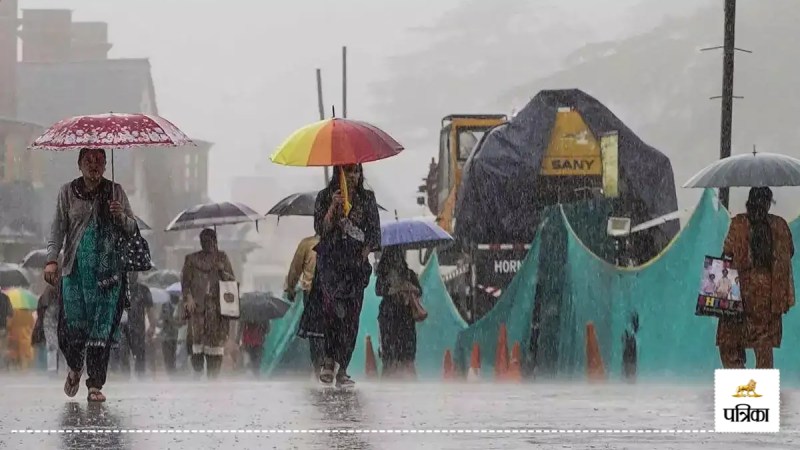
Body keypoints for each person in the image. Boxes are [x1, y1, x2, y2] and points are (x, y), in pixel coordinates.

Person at [44, 147, 137, 402]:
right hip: (74, 272)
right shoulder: (67, 192)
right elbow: (57, 229)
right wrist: (51, 260)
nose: (94, 164)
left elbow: (133, 228)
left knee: (102, 329)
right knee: (70, 330)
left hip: (108, 276)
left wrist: (120, 216)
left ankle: (95, 384)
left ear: (106, 165)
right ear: (79, 164)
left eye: (99, 160)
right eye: (88, 160)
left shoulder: (116, 192)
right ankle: (75, 366)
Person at [297, 164, 381, 387]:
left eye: (356, 171)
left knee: (351, 319)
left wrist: (362, 255)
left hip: (355, 268)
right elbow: (321, 229)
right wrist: (333, 208)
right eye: (348, 171)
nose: (353, 176)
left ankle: (342, 368)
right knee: (332, 313)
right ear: (339, 173)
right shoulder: (325, 197)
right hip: (331, 266)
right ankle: (328, 361)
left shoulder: (367, 199)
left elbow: (374, 234)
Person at [717, 187, 795, 369]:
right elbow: (789, 252)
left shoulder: (739, 224)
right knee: (763, 345)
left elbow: (728, 251)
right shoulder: (779, 226)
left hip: (739, 292)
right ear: (768, 204)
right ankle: (761, 384)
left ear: (749, 202)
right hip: (769, 295)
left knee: (730, 343)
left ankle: (738, 379)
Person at [181, 228, 236, 379]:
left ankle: (212, 382)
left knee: (215, 353)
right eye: (203, 241)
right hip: (198, 311)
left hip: (216, 312)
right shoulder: (191, 260)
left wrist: (222, 271)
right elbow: (185, 284)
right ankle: (197, 373)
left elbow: (231, 283)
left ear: (215, 241)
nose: (206, 244)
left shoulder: (222, 258)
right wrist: (188, 298)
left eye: (209, 241)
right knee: (197, 353)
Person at [375, 247, 423, 379]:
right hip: (395, 317)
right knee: (398, 353)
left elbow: (419, 290)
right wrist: (398, 288)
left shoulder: (407, 274)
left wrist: (409, 287)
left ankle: (394, 376)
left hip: (397, 316)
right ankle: (400, 376)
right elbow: (379, 290)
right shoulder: (388, 276)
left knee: (397, 353)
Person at [284, 233, 321, 375]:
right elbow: (295, 268)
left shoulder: (307, 244)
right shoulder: (336, 241)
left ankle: (318, 365)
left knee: (314, 333)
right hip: (324, 294)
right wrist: (291, 287)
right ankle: (322, 364)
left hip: (313, 294)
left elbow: (295, 268)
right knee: (322, 332)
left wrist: (290, 288)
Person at [117, 272, 156, 378]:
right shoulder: (119, 289)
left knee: (140, 354)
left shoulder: (144, 290)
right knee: (123, 352)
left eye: (134, 272)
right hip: (122, 328)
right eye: (129, 272)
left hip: (138, 328)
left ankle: (140, 377)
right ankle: (125, 377)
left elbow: (150, 310)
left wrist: (152, 326)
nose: (131, 274)